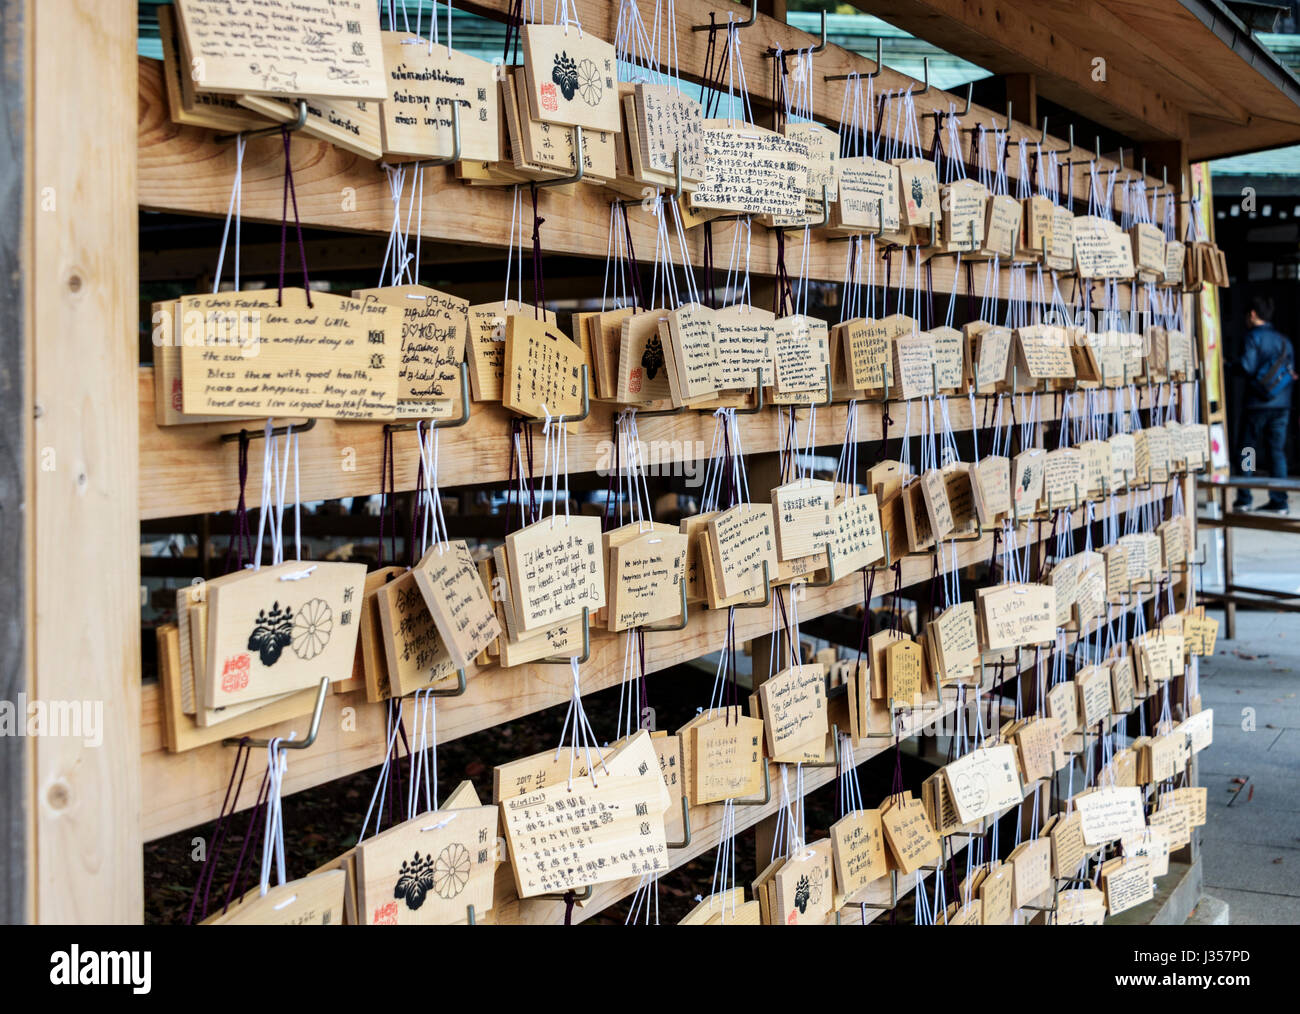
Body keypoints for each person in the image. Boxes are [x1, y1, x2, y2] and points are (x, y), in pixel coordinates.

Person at [1233, 295, 1295, 513]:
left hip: (1256, 406)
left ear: (1252, 314)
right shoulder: (1285, 341)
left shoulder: (1252, 337)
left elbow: (1247, 367)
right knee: (1276, 452)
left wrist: (1229, 365)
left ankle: (1245, 497)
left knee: (1248, 450)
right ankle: (1279, 502)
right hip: (1281, 406)